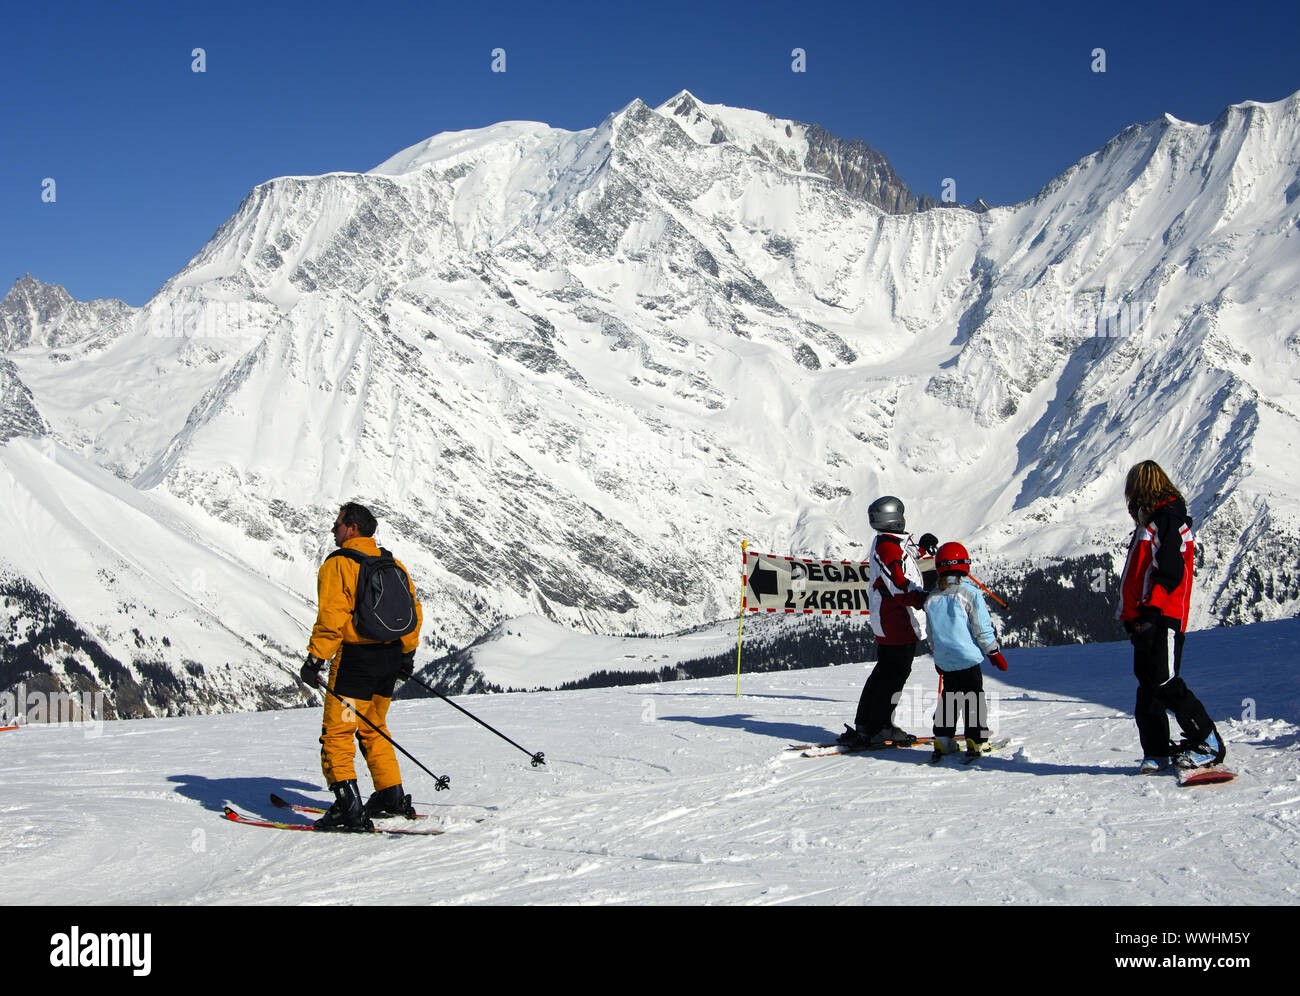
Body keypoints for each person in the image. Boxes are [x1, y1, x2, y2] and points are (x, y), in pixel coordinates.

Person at [300, 502, 424, 829]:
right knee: (374, 728)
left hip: (356, 664)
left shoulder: (339, 564)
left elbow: (332, 618)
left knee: (338, 733)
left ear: (352, 528)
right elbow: (413, 613)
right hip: (390, 659)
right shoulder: (391, 563)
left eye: (337, 524)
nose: (333, 530)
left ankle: (349, 809)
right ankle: (390, 797)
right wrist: (406, 657)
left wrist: (315, 660)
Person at [1117, 460, 1224, 772]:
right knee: (1148, 685)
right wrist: (1132, 615)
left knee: (1164, 682)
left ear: (1141, 491)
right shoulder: (1151, 524)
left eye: (1132, 495)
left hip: (1160, 616)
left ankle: (1208, 742)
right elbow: (1139, 574)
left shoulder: (1168, 520)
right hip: (1144, 617)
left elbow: (1170, 570)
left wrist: (1151, 608)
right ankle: (1156, 751)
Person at [839, 495, 929, 748]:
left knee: (884, 672)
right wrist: (922, 598)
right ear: (895, 518)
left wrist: (922, 548)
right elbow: (897, 580)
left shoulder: (887, 542)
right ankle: (880, 726)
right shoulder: (887, 547)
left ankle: (867, 724)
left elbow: (901, 558)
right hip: (896, 620)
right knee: (894, 674)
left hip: (891, 619)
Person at [923, 542, 1008, 762]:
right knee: (973, 697)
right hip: (968, 657)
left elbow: (931, 633)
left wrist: (937, 656)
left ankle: (942, 739)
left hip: (946, 659)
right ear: (964, 565)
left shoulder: (931, 598)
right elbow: (981, 627)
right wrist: (993, 652)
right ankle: (977, 740)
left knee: (950, 697)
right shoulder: (969, 592)